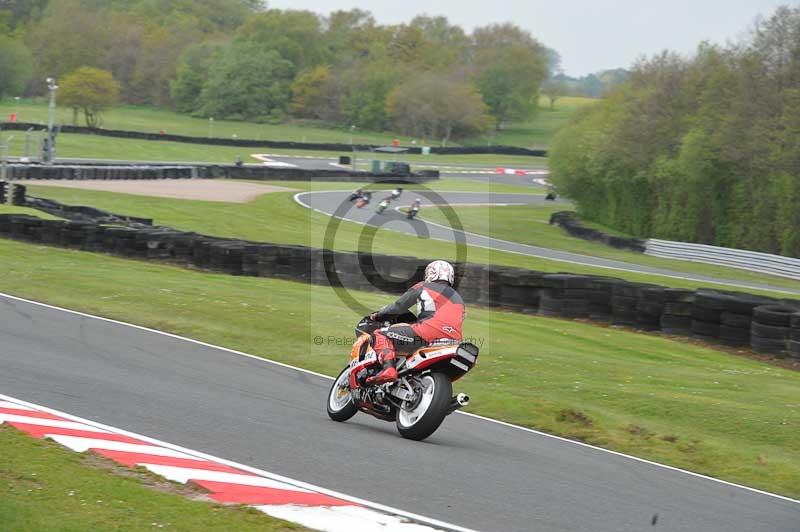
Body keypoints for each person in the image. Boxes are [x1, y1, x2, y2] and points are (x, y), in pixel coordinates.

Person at [367, 260, 465, 385]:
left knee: (379, 334)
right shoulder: (459, 299)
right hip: (454, 341)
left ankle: (388, 369)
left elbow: (398, 307)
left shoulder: (423, 286)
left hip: (427, 333)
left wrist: (377, 316)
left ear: (431, 273)